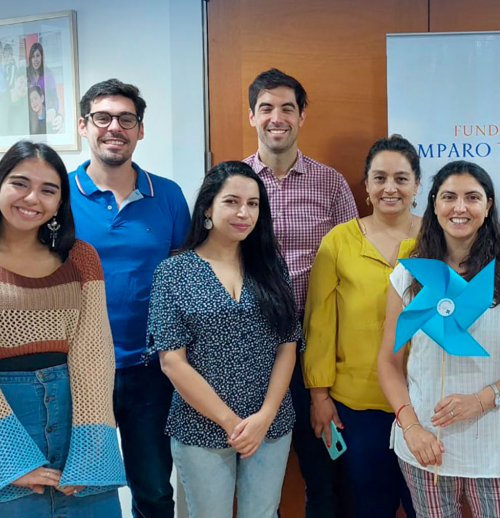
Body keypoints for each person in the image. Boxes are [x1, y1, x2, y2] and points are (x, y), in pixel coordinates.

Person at [0, 140, 126, 515]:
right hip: (0, 417)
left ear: (60, 202)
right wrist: (6, 458)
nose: (32, 198)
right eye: (20, 183)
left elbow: (94, 354)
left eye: (48, 190)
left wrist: (91, 450)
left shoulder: (80, 257)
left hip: (78, 418)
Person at [378, 160, 500, 518]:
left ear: (488, 206)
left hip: (497, 441)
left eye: (472, 197)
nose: (460, 207)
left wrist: (481, 400)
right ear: (434, 204)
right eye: (449, 197)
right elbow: (389, 362)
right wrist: (411, 427)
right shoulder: (409, 275)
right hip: (426, 442)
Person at [147, 161, 299, 518]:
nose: (244, 213)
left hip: (269, 424)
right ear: (207, 208)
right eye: (232, 201)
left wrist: (265, 416)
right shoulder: (173, 272)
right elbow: (172, 362)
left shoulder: (272, 267)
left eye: (253, 204)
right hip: (201, 424)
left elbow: (288, 346)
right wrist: (231, 422)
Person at [69, 78, 190, 518]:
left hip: (150, 368)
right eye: (102, 118)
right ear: (84, 126)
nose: (114, 128)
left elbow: (183, 281)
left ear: (140, 129)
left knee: (154, 488)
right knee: (81, 487)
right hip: (77, 366)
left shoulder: (168, 195)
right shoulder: (58, 194)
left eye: (126, 119)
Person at [243, 67, 358, 518]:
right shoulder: (234, 183)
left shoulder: (330, 183)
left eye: (287, 108)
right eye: (266, 108)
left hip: (317, 346)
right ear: (252, 116)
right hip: (252, 344)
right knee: (256, 469)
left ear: (302, 116)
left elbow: (352, 261)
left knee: (324, 471)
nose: (277, 118)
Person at [304, 135, 422, 518]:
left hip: (425, 401)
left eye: (401, 179)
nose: (390, 188)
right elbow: (320, 323)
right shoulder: (338, 241)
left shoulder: (438, 239)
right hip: (357, 404)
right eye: (380, 178)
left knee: (427, 506)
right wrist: (319, 396)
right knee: (370, 505)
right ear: (366, 185)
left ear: (417, 185)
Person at [26, 42, 62, 133]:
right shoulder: (28, 76)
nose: (35, 59)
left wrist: (54, 111)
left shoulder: (48, 75)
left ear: (42, 57)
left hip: (44, 118)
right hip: (31, 119)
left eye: (38, 56)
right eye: (33, 56)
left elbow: (55, 99)